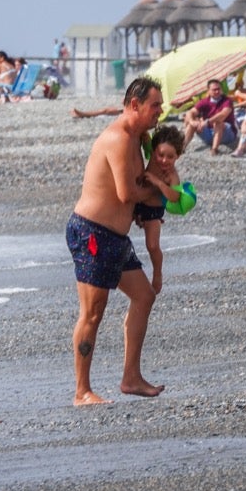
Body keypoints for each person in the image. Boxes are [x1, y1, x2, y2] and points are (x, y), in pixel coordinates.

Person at [67, 76, 166, 406]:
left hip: (115, 237)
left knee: (144, 296)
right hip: (92, 234)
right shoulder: (120, 138)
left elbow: (127, 196)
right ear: (135, 105)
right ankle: (82, 391)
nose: (160, 111)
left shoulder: (139, 138)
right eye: (155, 105)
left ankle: (131, 378)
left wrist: (144, 207)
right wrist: (160, 191)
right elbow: (126, 193)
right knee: (93, 313)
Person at [134, 125, 186, 294]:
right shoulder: (151, 156)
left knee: (152, 245)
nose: (164, 160)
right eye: (160, 154)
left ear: (178, 156)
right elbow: (145, 138)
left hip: (153, 211)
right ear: (155, 151)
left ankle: (157, 273)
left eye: (170, 157)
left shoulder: (171, 175)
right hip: (136, 203)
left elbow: (174, 197)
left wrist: (158, 182)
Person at [182, 78, 237, 154]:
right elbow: (190, 112)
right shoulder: (204, 102)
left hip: (226, 133)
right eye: (214, 90)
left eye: (218, 89)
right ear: (208, 91)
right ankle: (182, 147)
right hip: (209, 132)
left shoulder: (227, 101)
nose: (217, 91)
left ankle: (214, 150)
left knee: (218, 123)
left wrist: (207, 122)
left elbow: (223, 115)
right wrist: (192, 122)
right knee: (192, 123)